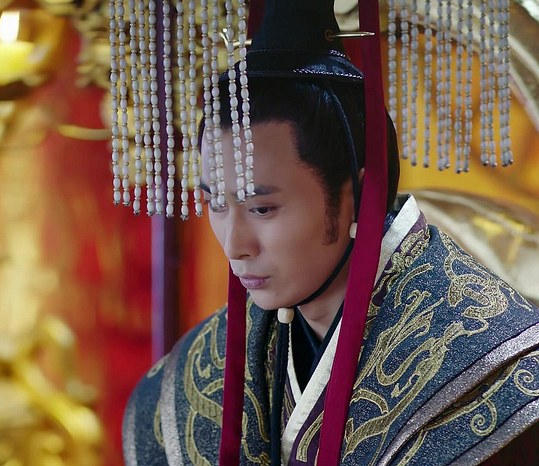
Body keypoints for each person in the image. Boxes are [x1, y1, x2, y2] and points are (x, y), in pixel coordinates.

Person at [121, 0, 539, 464]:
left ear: (358, 196)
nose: (235, 246)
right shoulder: (192, 374)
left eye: (262, 208)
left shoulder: (490, 368)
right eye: (216, 204)